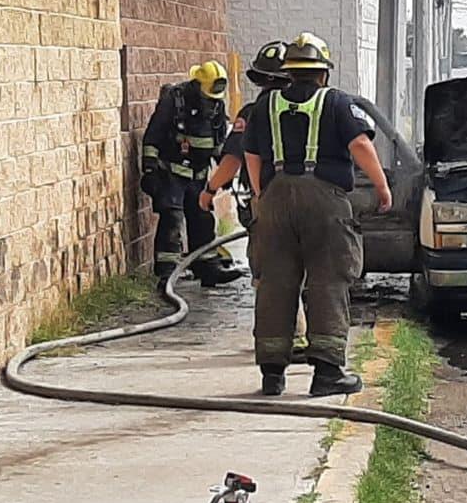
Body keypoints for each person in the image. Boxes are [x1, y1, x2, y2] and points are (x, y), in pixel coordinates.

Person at [244, 32, 393, 397]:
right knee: (328, 279)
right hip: (325, 201)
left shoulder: (263, 106)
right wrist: (382, 187)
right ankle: (326, 373)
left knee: (275, 283)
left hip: (274, 198)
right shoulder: (338, 103)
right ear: (323, 73)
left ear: (290, 72)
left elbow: (251, 154)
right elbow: (360, 143)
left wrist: (261, 193)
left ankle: (272, 374)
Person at [199, 41, 309, 363]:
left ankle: (278, 338)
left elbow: (233, 161)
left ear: (260, 79)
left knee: (270, 271)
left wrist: (209, 190)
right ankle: (308, 338)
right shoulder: (318, 105)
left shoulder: (253, 113)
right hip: (312, 198)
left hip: (267, 202)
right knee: (308, 268)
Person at [141, 60, 245, 288]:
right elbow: (153, 135)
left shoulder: (216, 104)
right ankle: (167, 273)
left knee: (202, 218)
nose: (211, 102)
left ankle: (208, 269)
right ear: (197, 84)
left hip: (198, 174)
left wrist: (224, 170)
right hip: (172, 173)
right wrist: (149, 169)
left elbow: (218, 141)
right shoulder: (174, 100)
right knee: (172, 218)